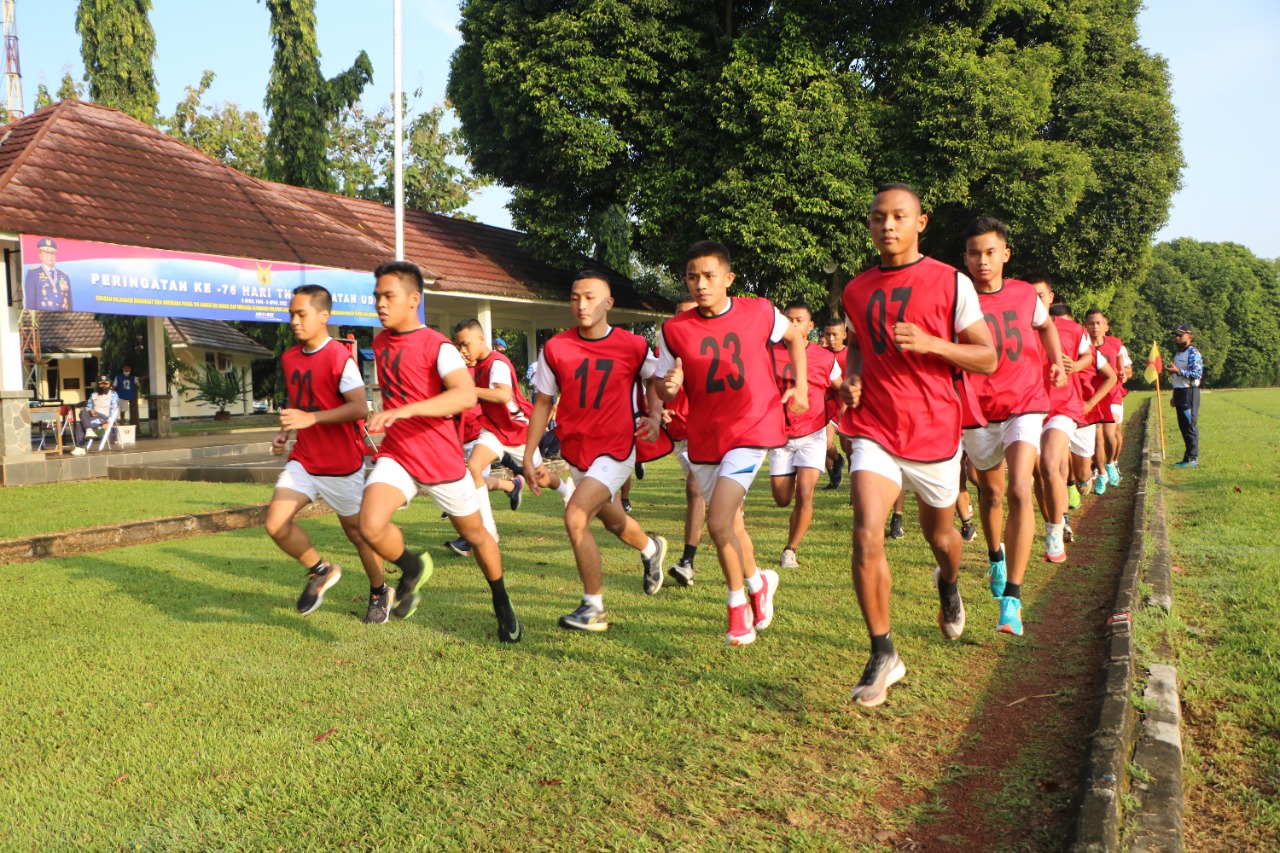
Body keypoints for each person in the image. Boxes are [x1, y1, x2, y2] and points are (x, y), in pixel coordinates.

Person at [839, 183, 997, 707]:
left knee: (942, 539)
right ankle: (884, 653)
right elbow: (858, 345)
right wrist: (852, 378)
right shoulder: (856, 290)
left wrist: (932, 343)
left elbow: (988, 357)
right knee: (866, 533)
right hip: (876, 429)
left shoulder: (951, 282)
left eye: (899, 217)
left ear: (920, 222)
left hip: (933, 434)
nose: (888, 226)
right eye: (878, 217)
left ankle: (948, 584)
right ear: (869, 225)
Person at [358, 261, 522, 643]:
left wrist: (405, 410)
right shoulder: (380, 342)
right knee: (369, 523)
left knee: (478, 536)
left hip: (441, 461)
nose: (380, 304)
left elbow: (464, 395)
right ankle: (412, 567)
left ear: (414, 299)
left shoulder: (438, 345)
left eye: (389, 296)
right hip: (398, 454)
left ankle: (502, 603)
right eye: (377, 297)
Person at [656, 240, 808, 646]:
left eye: (708, 276)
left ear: (728, 279)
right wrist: (668, 387)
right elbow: (662, 383)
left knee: (719, 521)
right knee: (732, 526)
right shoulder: (672, 330)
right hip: (705, 436)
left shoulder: (758, 310)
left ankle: (737, 608)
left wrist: (802, 386)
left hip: (751, 427)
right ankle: (759, 583)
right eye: (692, 276)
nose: (700, 284)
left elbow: (794, 338)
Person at [524, 271, 670, 631]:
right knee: (613, 521)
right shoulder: (555, 348)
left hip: (617, 448)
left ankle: (594, 607)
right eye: (575, 297)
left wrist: (653, 415)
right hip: (578, 451)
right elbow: (543, 402)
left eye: (590, 297)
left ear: (609, 303)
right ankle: (652, 549)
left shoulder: (633, 345)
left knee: (576, 515)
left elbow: (654, 378)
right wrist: (529, 454)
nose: (581, 304)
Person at [959, 217, 1065, 636]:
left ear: (1005, 254)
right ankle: (996, 559)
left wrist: (1054, 359)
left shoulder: (1024, 293)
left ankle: (1013, 601)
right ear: (964, 259)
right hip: (978, 409)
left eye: (990, 252)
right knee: (992, 493)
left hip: (1025, 403)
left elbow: (1045, 325)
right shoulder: (956, 298)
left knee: (1022, 485)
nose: (983, 261)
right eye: (974, 253)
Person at [266, 285, 388, 623]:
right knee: (275, 523)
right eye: (291, 313)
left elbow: (358, 408)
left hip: (340, 464)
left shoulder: (339, 358)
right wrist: (285, 432)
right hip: (304, 458)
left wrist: (312, 419)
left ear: (323, 316)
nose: (294, 320)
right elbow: (300, 404)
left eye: (301, 314)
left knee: (358, 535)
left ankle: (380, 591)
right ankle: (320, 570)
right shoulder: (290, 357)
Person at [450, 320, 574, 554]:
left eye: (465, 344)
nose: (462, 350)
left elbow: (502, 394)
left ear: (481, 339)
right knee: (474, 468)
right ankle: (489, 533)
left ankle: (568, 492)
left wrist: (470, 391)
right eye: (458, 345)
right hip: (493, 430)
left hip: (517, 430)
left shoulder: (498, 363)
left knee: (541, 477)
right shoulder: (473, 366)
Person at [769, 300, 841, 569]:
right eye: (788, 319)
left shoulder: (825, 357)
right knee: (782, 498)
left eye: (799, 320)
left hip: (812, 435)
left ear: (811, 326)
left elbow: (839, 390)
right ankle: (796, 481)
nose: (793, 324)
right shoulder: (769, 352)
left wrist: (832, 423)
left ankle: (790, 549)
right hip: (781, 437)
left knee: (806, 494)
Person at [1027, 274, 1088, 562]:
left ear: (1051, 298)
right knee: (1039, 473)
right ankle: (1053, 522)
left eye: (1040, 296)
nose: (1035, 301)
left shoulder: (1071, 329)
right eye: (1030, 296)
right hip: (1030, 407)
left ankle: (1055, 528)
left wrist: (1074, 365)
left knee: (1050, 463)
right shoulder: (1018, 327)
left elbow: (1090, 357)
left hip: (1063, 407)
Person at [662, 297, 706, 587]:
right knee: (715, 506)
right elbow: (651, 383)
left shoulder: (710, 348)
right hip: (678, 432)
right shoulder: (666, 347)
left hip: (708, 431)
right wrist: (657, 410)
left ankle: (687, 561)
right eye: (678, 315)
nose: (682, 322)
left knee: (694, 488)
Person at [1084, 309, 1131, 487]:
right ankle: (1102, 473)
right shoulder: (1083, 347)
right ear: (1085, 326)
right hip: (1092, 396)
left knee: (1110, 433)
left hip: (1112, 394)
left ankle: (1111, 462)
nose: (1095, 327)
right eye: (1091, 323)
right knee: (1097, 438)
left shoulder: (1115, 344)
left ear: (1106, 326)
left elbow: (1124, 368)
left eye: (1098, 323)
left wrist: (1123, 373)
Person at [820, 317, 852, 490]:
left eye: (835, 334)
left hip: (848, 408)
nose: (831, 339)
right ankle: (837, 462)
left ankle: (855, 491)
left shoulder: (851, 355)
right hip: (828, 407)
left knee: (851, 450)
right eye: (827, 334)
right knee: (824, 444)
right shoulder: (820, 354)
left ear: (844, 335)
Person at [1167, 323, 1202, 468]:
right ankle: (1187, 458)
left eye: (1180, 335)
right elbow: (1178, 378)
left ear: (1189, 336)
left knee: (1190, 426)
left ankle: (1192, 458)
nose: (1177, 338)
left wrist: (1178, 372)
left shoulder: (1193, 353)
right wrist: (1175, 396)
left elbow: (1197, 374)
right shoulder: (1179, 353)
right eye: (1176, 335)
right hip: (1180, 393)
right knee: (1183, 426)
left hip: (1190, 393)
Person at [24, 237, 73, 311]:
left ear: (55, 255)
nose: (50, 256)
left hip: (63, 319)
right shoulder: (33, 274)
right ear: (40, 255)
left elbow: (70, 304)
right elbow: (31, 304)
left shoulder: (64, 276)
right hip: (43, 319)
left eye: (52, 253)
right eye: (46, 253)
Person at [75, 376, 119, 449]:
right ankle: (81, 445)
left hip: (103, 417)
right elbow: (88, 406)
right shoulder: (93, 395)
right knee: (83, 411)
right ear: (98, 385)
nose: (103, 385)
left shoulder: (113, 395)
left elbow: (114, 409)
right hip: (93, 416)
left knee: (80, 425)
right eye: (101, 384)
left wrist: (109, 422)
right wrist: (90, 410)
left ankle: (81, 447)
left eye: (105, 383)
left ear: (109, 384)